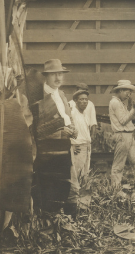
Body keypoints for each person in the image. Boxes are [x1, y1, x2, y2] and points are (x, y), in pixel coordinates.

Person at [32, 59, 76, 213]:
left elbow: (67, 116)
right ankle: (50, 217)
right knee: (51, 188)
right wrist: (60, 133)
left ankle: (65, 218)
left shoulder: (62, 94)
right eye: (54, 75)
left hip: (64, 147)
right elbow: (36, 129)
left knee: (67, 185)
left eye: (60, 74)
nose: (58, 78)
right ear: (46, 77)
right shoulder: (39, 97)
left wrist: (72, 128)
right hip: (49, 152)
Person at [107, 80, 135, 196]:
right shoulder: (115, 102)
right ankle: (115, 191)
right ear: (120, 91)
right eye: (127, 91)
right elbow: (123, 121)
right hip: (122, 134)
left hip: (128, 135)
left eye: (130, 92)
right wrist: (134, 108)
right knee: (118, 165)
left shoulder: (121, 102)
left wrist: (130, 106)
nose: (129, 94)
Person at [68, 86, 94, 198]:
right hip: (78, 147)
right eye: (81, 99)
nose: (84, 101)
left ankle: (81, 200)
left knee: (84, 173)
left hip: (86, 146)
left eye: (86, 99)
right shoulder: (72, 113)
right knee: (76, 176)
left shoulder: (83, 114)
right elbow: (66, 129)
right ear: (75, 101)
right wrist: (70, 145)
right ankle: (74, 199)